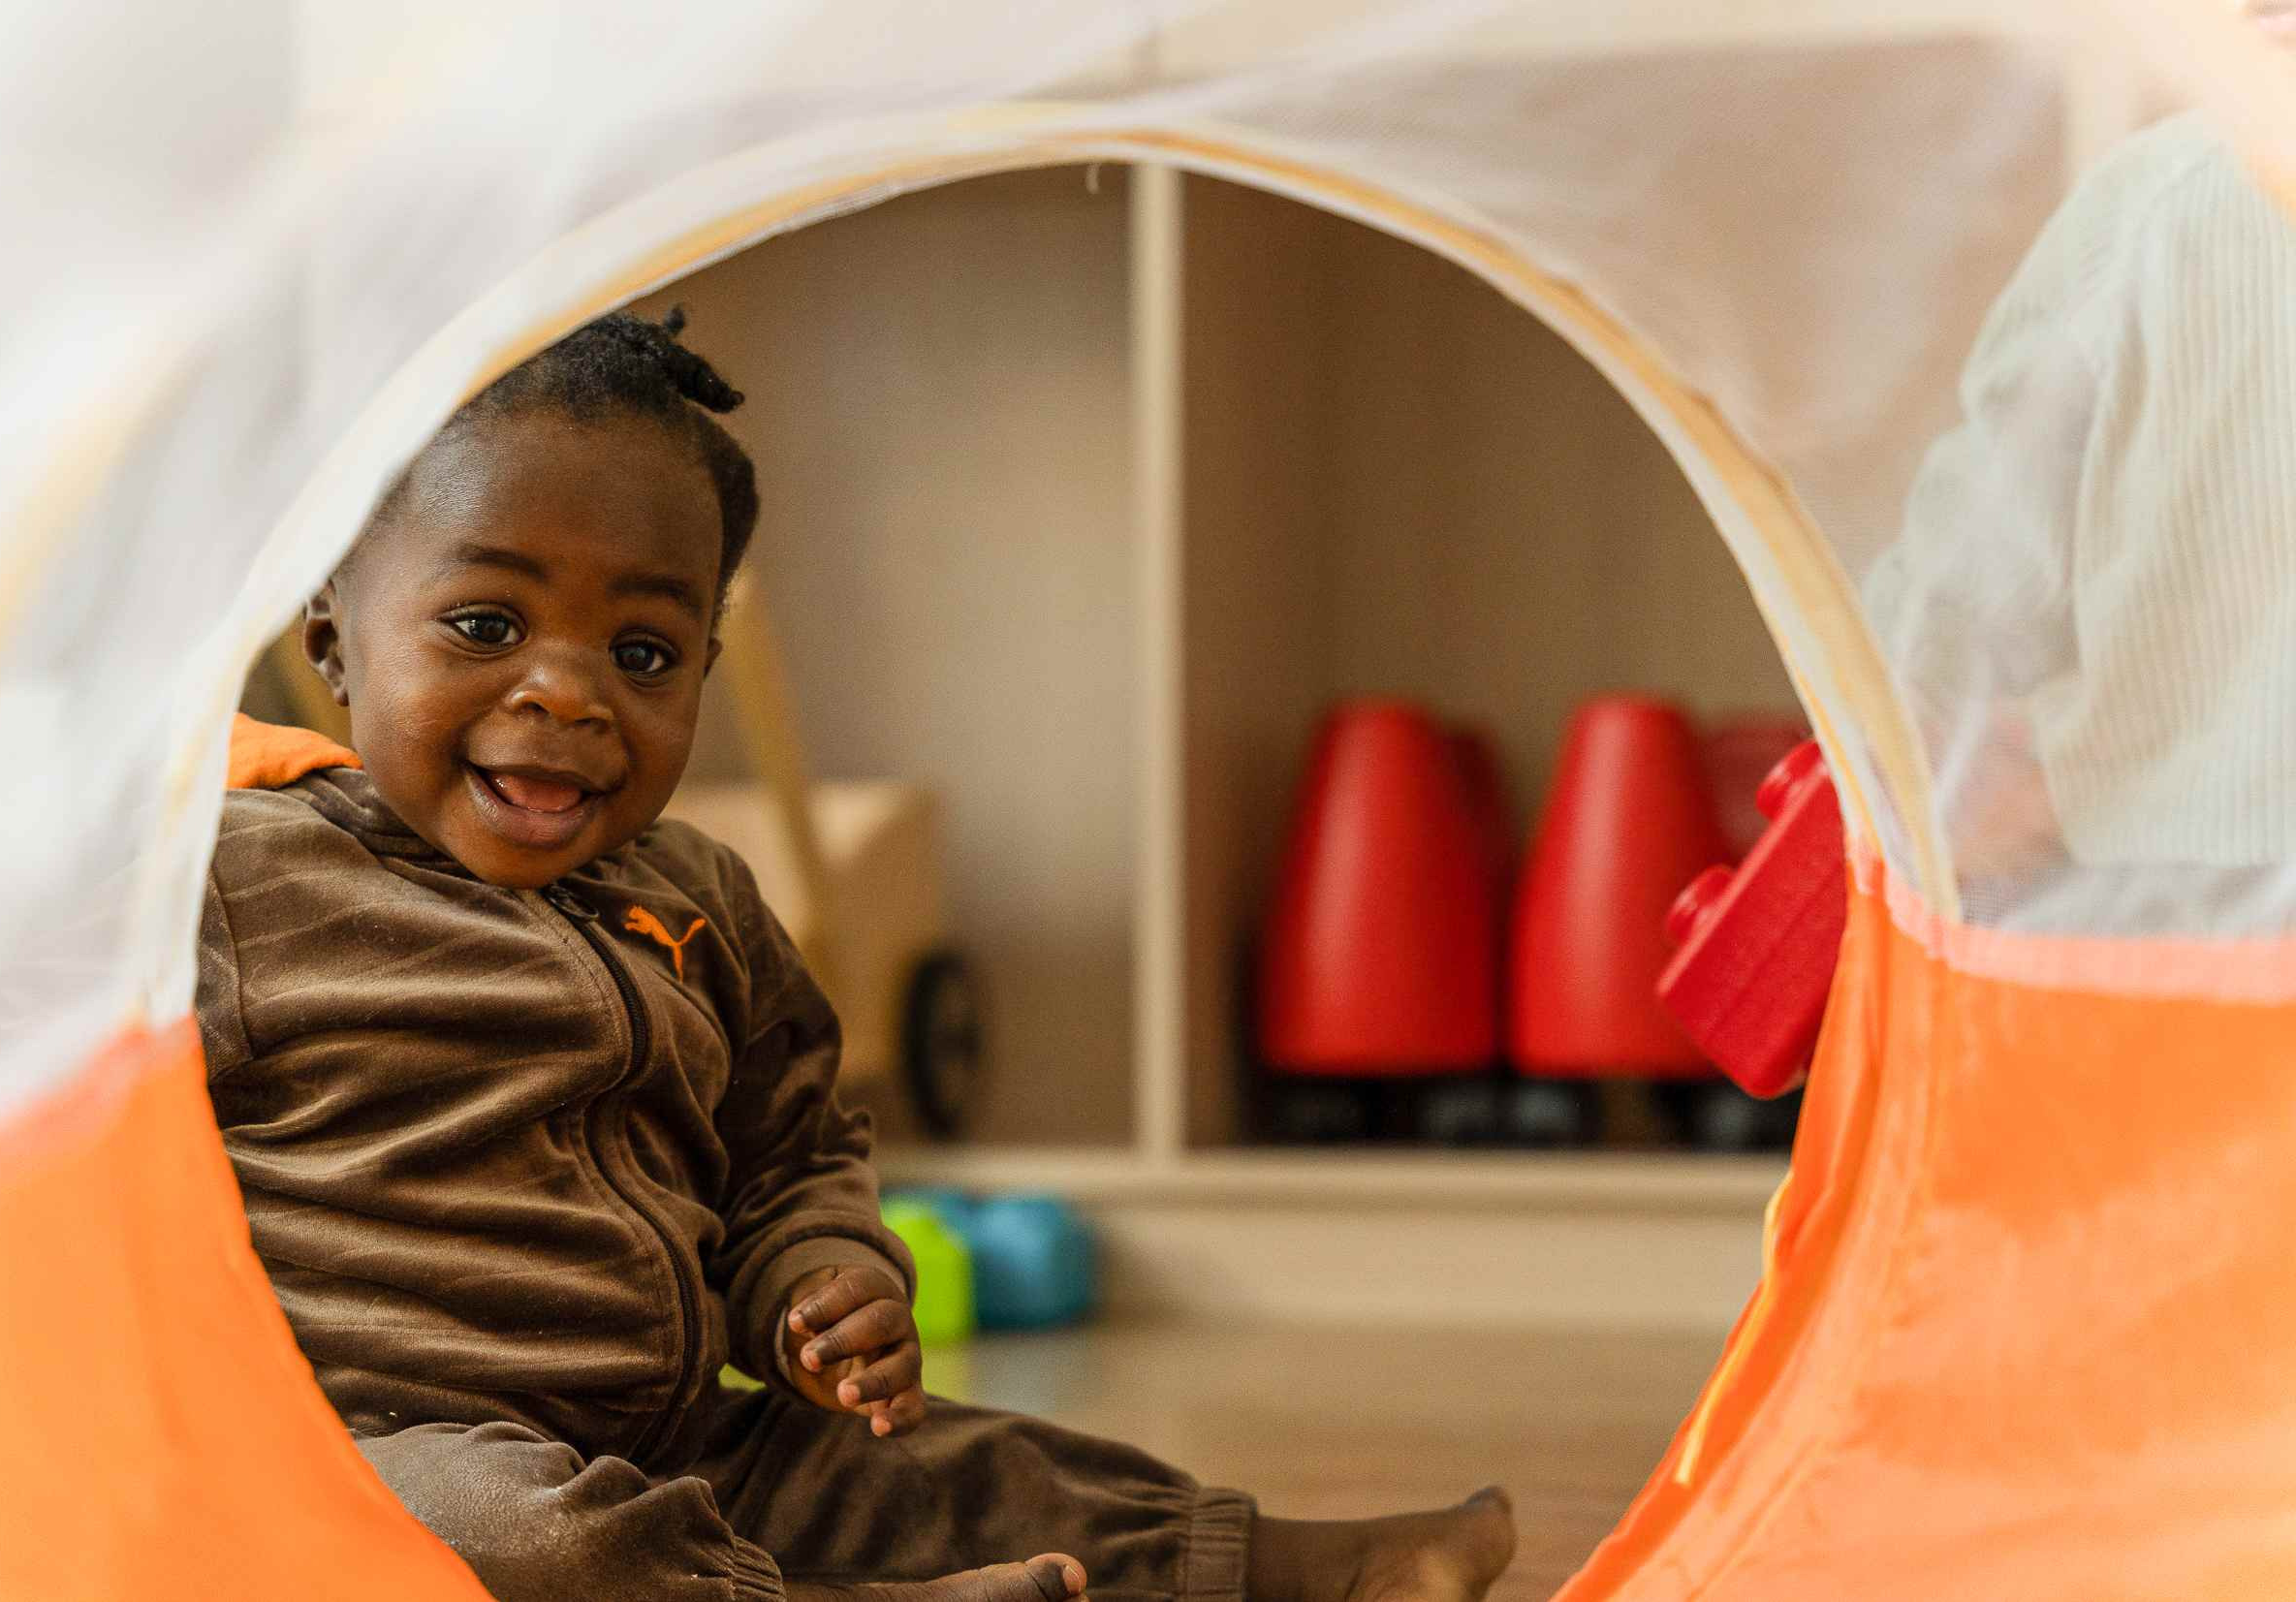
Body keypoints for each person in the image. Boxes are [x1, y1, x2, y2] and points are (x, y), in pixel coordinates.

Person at [198, 307, 1516, 1602]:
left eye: (644, 652)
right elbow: (83, 1126)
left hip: (681, 1432)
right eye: (486, 627)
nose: (569, 693)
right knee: (517, 1542)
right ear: (331, 638)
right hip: (385, 1448)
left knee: (953, 1472)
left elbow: (788, 1157)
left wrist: (819, 1282)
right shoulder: (239, 880)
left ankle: (1310, 1564)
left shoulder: (698, 897)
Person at [1865, 112, 2296, 922]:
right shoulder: (2167, 200)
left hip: (2154, 931)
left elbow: (1939, 624)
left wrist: (2049, 779)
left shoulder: (2163, 202)